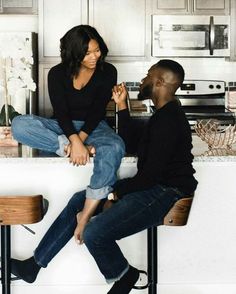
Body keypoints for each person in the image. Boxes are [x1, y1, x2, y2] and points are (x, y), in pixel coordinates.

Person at [10, 59, 198, 294]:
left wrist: (114, 194)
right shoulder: (162, 114)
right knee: (82, 199)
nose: (143, 80)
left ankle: (124, 276)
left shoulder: (169, 119)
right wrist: (122, 106)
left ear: (159, 82)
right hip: (154, 186)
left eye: (148, 75)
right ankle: (33, 266)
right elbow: (131, 145)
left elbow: (150, 176)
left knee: (95, 233)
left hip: (167, 191)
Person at [11, 25, 125, 237]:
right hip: (62, 127)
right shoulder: (56, 73)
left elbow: (97, 111)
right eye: (87, 52)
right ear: (74, 52)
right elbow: (61, 113)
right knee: (19, 125)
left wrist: (79, 142)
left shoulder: (108, 71)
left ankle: (86, 214)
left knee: (115, 146)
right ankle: (66, 147)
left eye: (97, 50)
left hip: (95, 127)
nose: (94, 56)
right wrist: (73, 144)